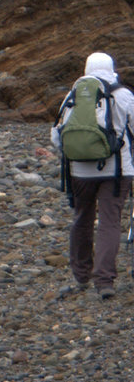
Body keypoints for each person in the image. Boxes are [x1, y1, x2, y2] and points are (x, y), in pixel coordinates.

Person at [51, 51, 134, 300]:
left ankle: (81, 275)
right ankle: (104, 281)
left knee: (82, 218)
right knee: (110, 221)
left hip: (78, 171)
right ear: (111, 68)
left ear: (87, 69)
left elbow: (56, 135)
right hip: (117, 170)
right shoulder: (123, 95)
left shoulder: (74, 94)